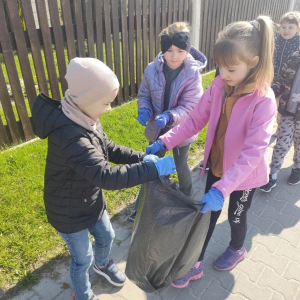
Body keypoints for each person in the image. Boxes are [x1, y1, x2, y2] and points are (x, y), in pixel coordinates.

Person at [147, 16, 276, 288]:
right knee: (206, 218)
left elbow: (253, 152)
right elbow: (194, 120)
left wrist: (223, 189)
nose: (223, 74)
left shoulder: (263, 101)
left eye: (230, 69)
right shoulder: (219, 85)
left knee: (236, 216)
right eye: (220, 67)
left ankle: (238, 248)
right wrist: (165, 142)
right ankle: (194, 264)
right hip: (218, 166)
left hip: (244, 176)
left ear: (253, 62)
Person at [31, 57, 176, 300]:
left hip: (88, 200)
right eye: (106, 103)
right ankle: (83, 293)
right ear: (87, 100)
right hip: (67, 212)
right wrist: (152, 170)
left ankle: (102, 264)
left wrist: (142, 158)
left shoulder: (86, 119)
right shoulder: (71, 137)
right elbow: (105, 175)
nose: (109, 109)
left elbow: (108, 148)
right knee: (81, 258)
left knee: (107, 236)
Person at [127, 21, 207, 223]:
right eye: (169, 51)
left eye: (180, 51)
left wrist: (170, 116)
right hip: (157, 130)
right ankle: (141, 207)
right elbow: (144, 93)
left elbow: (191, 106)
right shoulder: (151, 69)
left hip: (181, 131)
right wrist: (144, 109)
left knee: (181, 167)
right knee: (151, 165)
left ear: (187, 50)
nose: (174, 56)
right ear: (162, 50)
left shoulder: (192, 74)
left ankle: (187, 200)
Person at [260, 50, 300, 192]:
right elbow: (281, 81)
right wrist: (270, 93)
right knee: (281, 144)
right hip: (287, 112)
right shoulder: (294, 57)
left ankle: (297, 168)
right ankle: (273, 175)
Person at [273, 11, 300, 131]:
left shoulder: (298, 44)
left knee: (283, 104)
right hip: (274, 76)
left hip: (289, 80)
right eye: (283, 27)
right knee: (273, 101)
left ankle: (280, 127)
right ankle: (271, 121)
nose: (286, 30)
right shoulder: (276, 41)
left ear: (298, 29)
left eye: (290, 27)